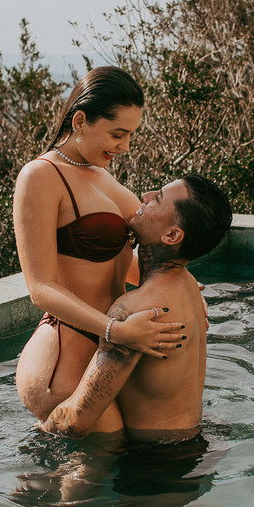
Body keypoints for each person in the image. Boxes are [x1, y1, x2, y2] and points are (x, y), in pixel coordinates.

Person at [13, 66, 185, 432]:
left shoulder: (101, 175)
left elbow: (120, 259)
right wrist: (114, 331)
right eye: (118, 134)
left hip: (110, 346)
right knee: (103, 460)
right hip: (66, 352)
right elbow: (39, 288)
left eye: (130, 136)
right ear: (80, 120)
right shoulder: (40, 176)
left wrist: (181, 282)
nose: (124, 147)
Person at [39, 174, 232, 442]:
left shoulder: (135, 312)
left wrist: (37, 433)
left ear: (172, 235)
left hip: (150, 466)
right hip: (191, 444)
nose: (146, 196)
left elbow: (76, 421)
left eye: (159, 198)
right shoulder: (189, 286)